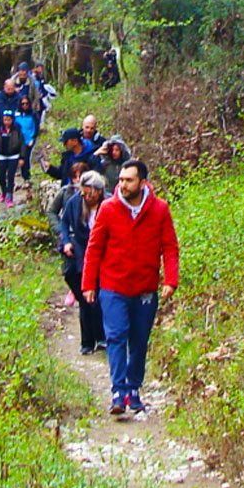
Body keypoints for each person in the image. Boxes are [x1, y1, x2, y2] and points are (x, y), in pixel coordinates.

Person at [82, 159, 179, 415]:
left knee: (139, 339)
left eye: (129, 180)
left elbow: (169, 246)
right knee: (115, 336)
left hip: (145, 288)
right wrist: (88, 283)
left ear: (142, 183)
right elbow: (94, 248)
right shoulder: (108, 208)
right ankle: (118, 390)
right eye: (121, 180)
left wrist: (171, 279)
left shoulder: (160, 210)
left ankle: (134, 389)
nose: (123, 185)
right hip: (113, 286)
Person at [60, 171, 107, 355]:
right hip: (81, 255)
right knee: (86, 299)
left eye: (91, 193)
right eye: (85, 193)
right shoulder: (75, 203)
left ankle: (101, 337)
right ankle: (87, 342)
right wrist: (66, 242)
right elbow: (64, 223)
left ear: (99, 191)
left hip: (102, 255)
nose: (87, 197)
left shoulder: (108, 204)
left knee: (99, 298)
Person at [0, 108, 26, 206]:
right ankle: (3, 192)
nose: (6, 122)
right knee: (1, 176)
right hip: (1, 155)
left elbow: (22, 143)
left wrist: (22, 157)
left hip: (13, 156)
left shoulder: (17, 129)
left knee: (11, 176)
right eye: (5, 119)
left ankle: (10, 197)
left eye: (8, 119)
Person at [46, 160, 87, 240]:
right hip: (69, 233)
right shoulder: (65, 191)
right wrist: (59, 230)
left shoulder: (93, 193)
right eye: (75, 177)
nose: (78, 180)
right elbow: (51, 211)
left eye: (81, 176)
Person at [14, 94, 38, 186]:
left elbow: (36, 127)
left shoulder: (33, 114)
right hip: (19, 140)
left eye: (27, 103)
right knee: (19, 157)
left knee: (26, 157)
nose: (25, 105)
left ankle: (27, 177)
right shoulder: (17, 115)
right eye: (23, 103)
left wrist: (33, 138)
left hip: (29, 139)